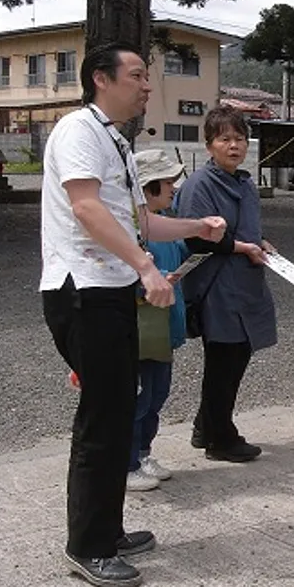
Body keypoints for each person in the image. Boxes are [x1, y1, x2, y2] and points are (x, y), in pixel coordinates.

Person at [40, 44, 226, 587]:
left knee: (119, 412)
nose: (148, 85)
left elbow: (141, 222)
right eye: (138, 75)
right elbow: (87, 209)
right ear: (101, 79)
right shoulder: (78, 130)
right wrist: (147, 269)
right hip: (83, 290)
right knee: (101, 418)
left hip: (111, 290)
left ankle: (108, 529)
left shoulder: (115, 139)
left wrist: (196, 227)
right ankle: (88, 546)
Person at [176, 106, 278, 464]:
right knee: (224, 360)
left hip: (245, 281)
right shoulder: (199, 185)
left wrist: (260, 242)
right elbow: (195, 236)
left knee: (237, 355)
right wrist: (241, 247)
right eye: (224, 139)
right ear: (209, 145)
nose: (233, 146)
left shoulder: (244, 183)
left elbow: (245, 227)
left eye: (239, 138)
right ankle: (221, 437)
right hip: (216, 285)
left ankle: (207, 426)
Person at [127, 149, 191, 493]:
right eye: (167, 182)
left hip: (165, 325)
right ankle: (128, 463)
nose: (173, 188)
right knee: (139, 396)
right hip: (143, 328)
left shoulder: (168, 221)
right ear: (148, 186)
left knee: (157, 394)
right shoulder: (133, 231)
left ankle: (143, 452)